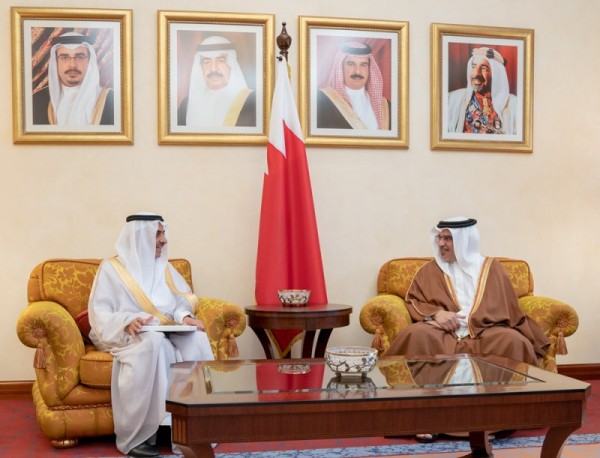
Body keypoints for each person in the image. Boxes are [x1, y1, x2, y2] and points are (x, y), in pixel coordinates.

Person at [384, 217, 549, 443]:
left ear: (465, 241)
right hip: (442, 331)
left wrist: (473, 320)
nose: (441, 244)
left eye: (448, 238)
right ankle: (425, 420)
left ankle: (493, 422)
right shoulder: (430, 270)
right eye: (439, 237)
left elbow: (508, 306)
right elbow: (413, 300)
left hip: (487, 329)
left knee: (512, 341)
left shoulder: (492, 268)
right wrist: (436, 314)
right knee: (416, 335)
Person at [88, 213, 214, 457]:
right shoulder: (112, 269)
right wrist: (127, 322)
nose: (164, 240)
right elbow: (100, 312)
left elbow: (179, 302)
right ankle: (140, 435)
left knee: (196, 339)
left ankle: (191, 430)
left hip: (164, 330)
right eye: (157, 234)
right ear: (140, 236)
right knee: (155, 344)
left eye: (163, 233)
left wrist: (184, 317)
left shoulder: (164, 268)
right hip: (125, 334)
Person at [32, 32, 114, 126]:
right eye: (64, 57)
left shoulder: (112, 100)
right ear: (56, 62)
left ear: (89, 61)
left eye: (79, 57)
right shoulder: (37, 100)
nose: (72, 65)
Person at [177, 35, 256, 127]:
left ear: (231, 64)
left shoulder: (251, 101)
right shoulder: (187, 105)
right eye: (207, 62)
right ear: (200, 67)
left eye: (221, 61)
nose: (213, 68)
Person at [317, 41, 390, 130]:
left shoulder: (386, 106)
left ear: (369, 69)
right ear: (341, 68)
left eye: (363, 65)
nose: (357, 71)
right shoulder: (321, 101)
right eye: (351, 64)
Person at [447, 47, 518, 135]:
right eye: (473, 67)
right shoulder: (451, 100)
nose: (476, 73)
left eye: (484, 68)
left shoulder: (514, 104)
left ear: (496, 74)